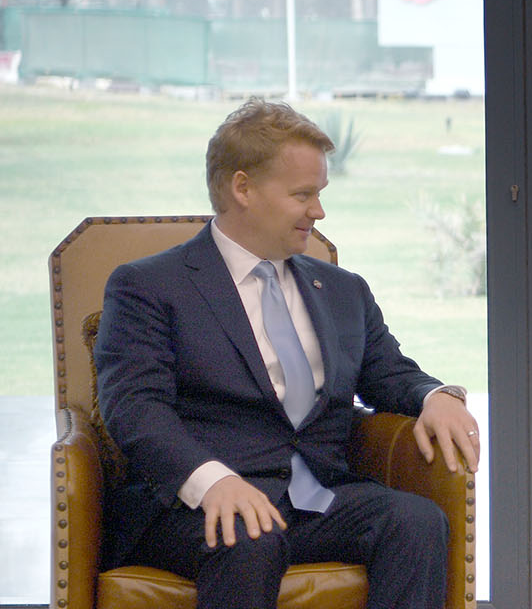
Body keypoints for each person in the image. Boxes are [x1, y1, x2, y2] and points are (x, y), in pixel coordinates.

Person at [94, 98, 481, 609]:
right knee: (247, 535)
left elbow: (389, 373)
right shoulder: (149, 286)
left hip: (318, 498)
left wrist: (436, 396)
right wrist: (213, 482)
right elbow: (135, 408)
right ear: (243, 189)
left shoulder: (343, 290)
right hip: (199, 505)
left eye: (319, 194)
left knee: (415, 520)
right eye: (303, 194)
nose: (318, 211)